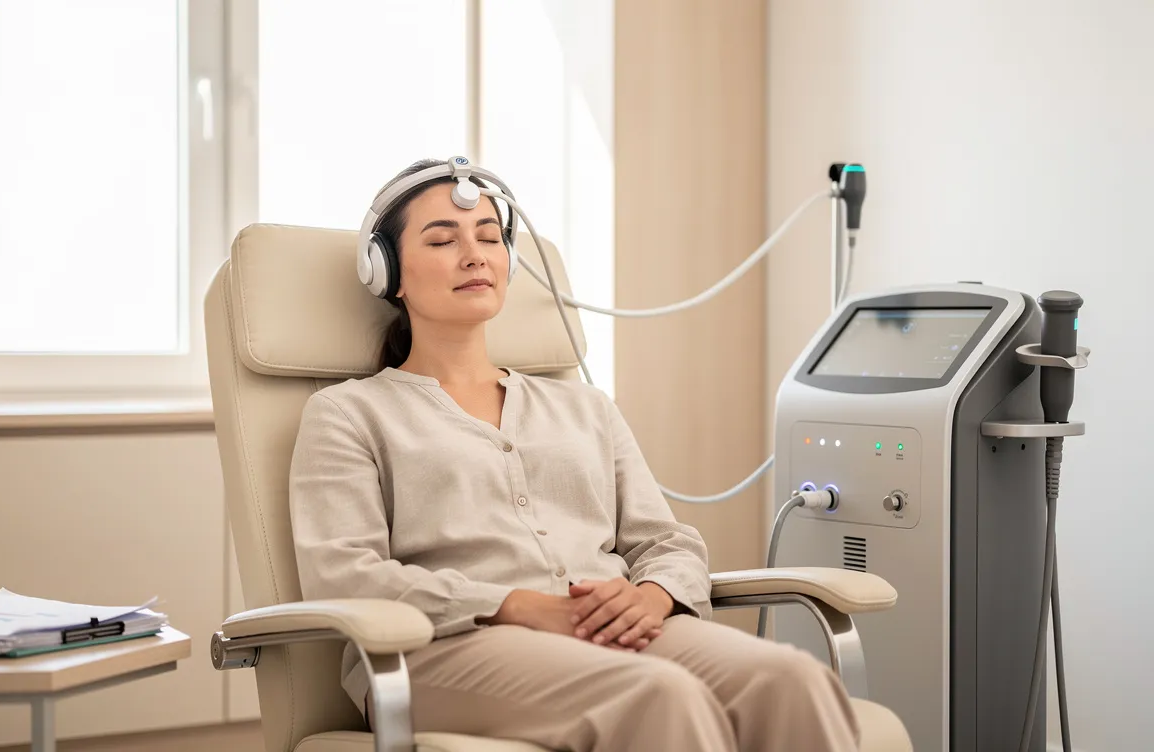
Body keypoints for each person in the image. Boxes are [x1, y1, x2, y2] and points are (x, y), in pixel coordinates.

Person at [288, 158, 861, 751]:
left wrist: (652, 596)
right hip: (441, 652)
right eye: (442, 240)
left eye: (489, 237)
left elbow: (666, 541)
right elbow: (345, 576)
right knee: (660, 697)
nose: (475, 254)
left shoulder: (585, 407)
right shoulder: (348, 414)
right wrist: (518, 606)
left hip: (612, 629)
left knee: (791, 678)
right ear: (389, 274)